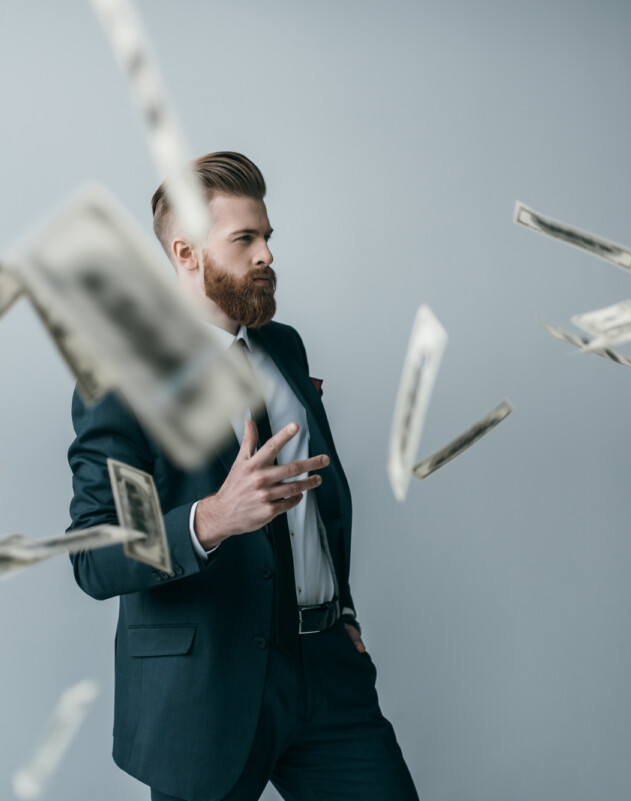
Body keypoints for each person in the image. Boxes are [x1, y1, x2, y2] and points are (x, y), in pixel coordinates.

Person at [67, 152, 418, 801]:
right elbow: (94, 552)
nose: (266, 255)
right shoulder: (121, 377)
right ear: (186, 252)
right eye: (244, 240)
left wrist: (340, 611)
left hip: (327, 672)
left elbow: (319, 505)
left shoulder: (283, 346)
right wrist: (212, 519)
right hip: (208, 689)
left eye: (267, 237)